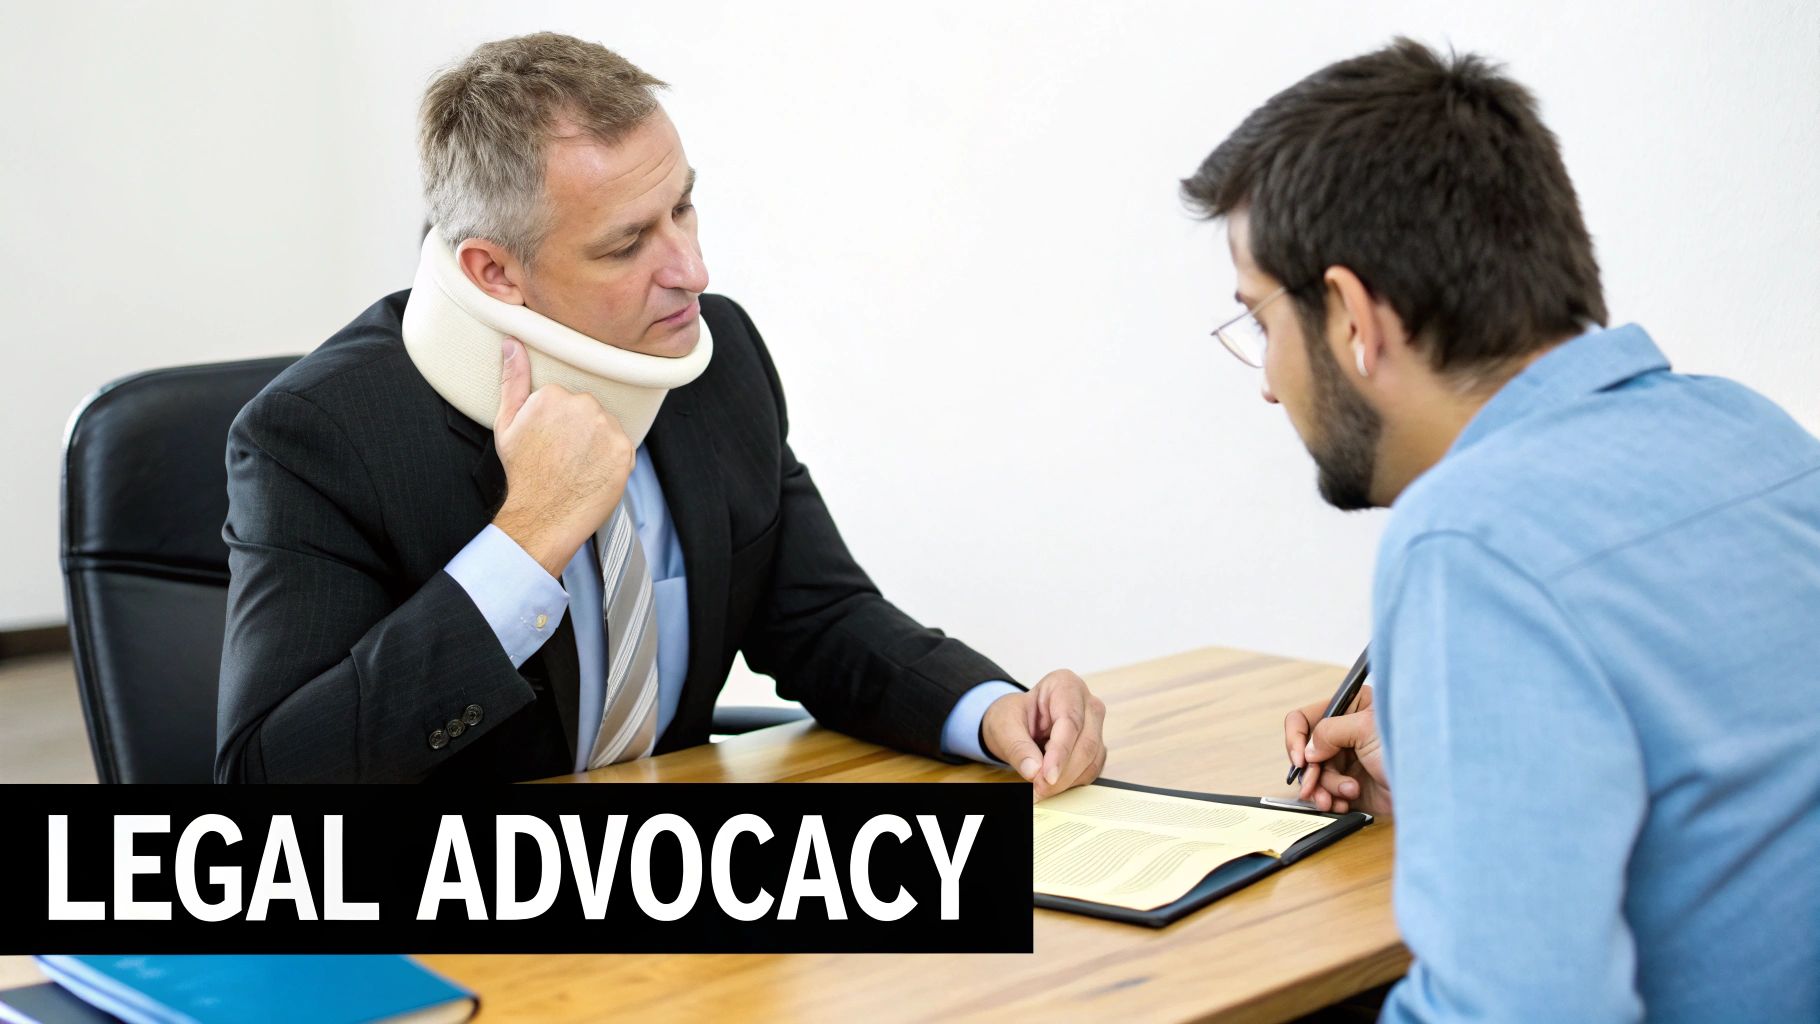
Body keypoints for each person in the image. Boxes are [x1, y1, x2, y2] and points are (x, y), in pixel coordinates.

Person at [215, 32, 1108, 793]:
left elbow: (820, 618)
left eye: (682, 206)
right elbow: (270, 779)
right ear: (495, 272)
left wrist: (992, 712)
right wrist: (527, 541)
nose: (692, 269)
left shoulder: (710, 359)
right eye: (628, 243)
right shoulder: (317, 437)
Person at [1184, 38, 1820, 1022]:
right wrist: (1460, 776)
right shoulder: (1752, 433)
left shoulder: (1468, 542)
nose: (1267, 381)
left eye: (1259, 320)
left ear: (1352, 314)